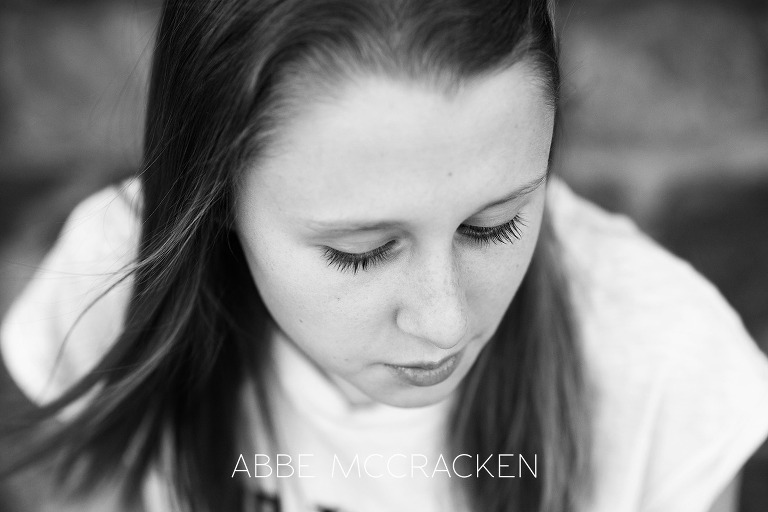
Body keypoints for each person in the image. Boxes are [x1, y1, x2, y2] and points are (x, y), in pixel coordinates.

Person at [2, 0, 768, 511]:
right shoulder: (109, 282)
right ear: (218, 201)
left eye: (494, 226)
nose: (444, 323)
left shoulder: (666, 373)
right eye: (360, 253)